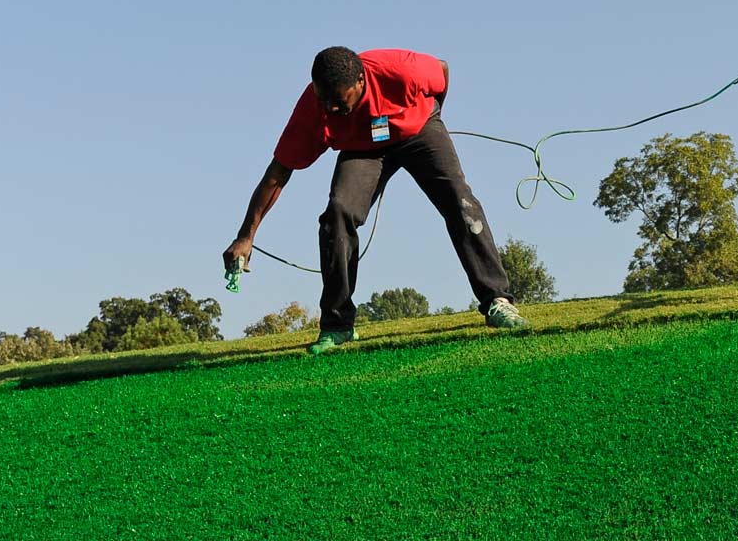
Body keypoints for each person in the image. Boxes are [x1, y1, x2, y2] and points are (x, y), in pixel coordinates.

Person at [224, 46, 528, 354]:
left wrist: (435, 118)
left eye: (339, 103)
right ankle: (338, 324)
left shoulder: (401, 70)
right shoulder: (314, 108)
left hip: (417, 127)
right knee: (338, 213)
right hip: (363, 148)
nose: (329, 109)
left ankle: (496, 300)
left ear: (360, 81)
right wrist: (246, 236)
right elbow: (278, 172)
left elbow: (442, 70)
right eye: (324, 100)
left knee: (460, 202)